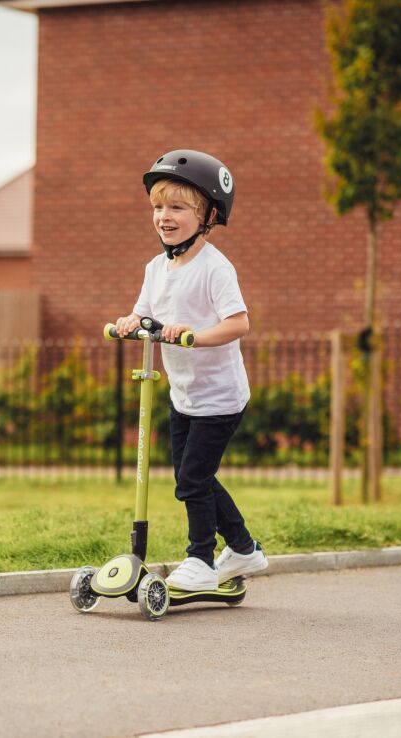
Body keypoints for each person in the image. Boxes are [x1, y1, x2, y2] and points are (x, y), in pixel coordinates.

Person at [114, 149, 268, 592]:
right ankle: (243, 549)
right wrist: (129, 322)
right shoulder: (155, 268)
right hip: (183, 393)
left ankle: (200, 558)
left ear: (208, 216)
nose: (165, 215)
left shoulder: (215, 268)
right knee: (192, 476)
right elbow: (145, 315)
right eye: (158, 206)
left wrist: (192, 335)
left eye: (178, 207)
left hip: (219, 396)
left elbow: (239, 323)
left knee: (192, 480)